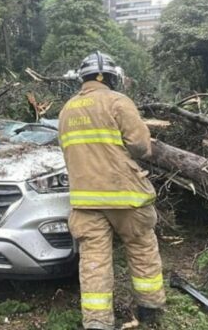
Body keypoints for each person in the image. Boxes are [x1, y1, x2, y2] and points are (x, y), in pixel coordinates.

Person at [58, 51, 165, 330]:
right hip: (126, 195)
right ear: (110, 78)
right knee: (142, 247)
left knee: (94, 260)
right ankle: (150, 307)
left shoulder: (67, 109)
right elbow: (141, 147)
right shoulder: (118, 102)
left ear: (83, 78)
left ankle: (97, 322)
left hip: (85, 199)